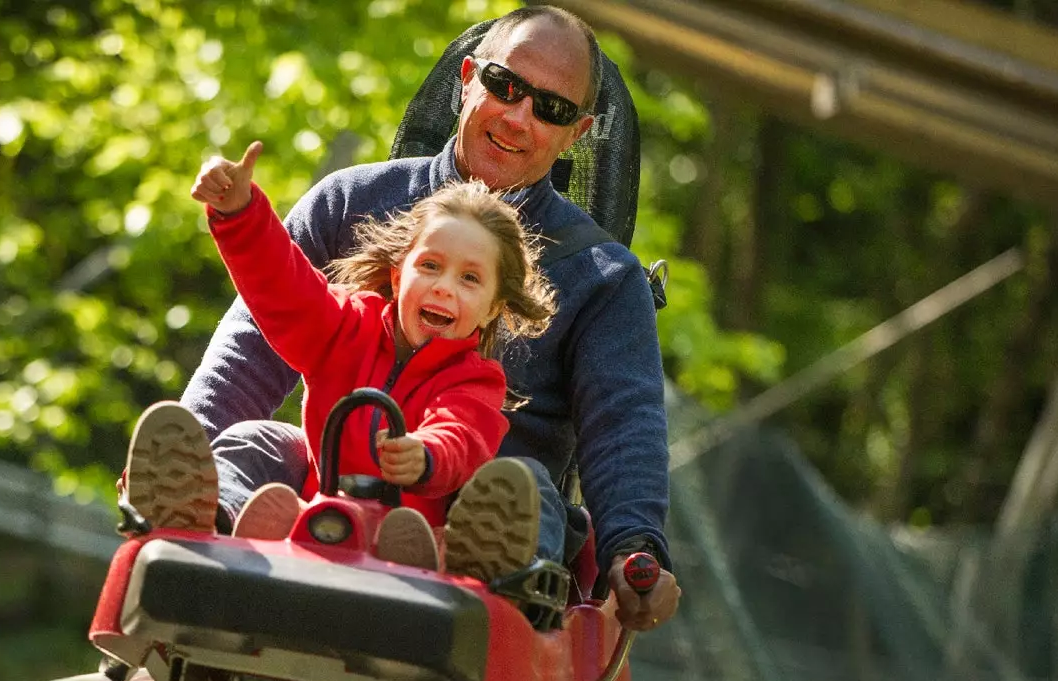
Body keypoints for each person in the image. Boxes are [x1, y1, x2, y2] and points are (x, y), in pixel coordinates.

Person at [177, 4, 681, 630]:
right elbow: (258, 334)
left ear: (575, 133)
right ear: (468, 78)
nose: (518, 117)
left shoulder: (604, 278)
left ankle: (470, 574)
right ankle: (189, 508)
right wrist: (188, 445)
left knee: (523, 486)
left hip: (479, 517)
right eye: (505, 86)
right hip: (328, 489)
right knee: (256, 444)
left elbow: (623, 427)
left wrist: (636, 552)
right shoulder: (351, 202)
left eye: (549, 109)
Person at [122, 141, 557, 576]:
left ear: (494, 306)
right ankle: (210, 516)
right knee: (260, 439)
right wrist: (240, 212)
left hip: (416, 538)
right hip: (315, 514)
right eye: (429, 266)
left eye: (469, 278)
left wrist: (426, 454)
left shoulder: (475, 382)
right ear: (397, 272)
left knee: (511, 479)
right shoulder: (348, 324)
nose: (444, 287)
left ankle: (469, 567)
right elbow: (285, 288)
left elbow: (461, 432)